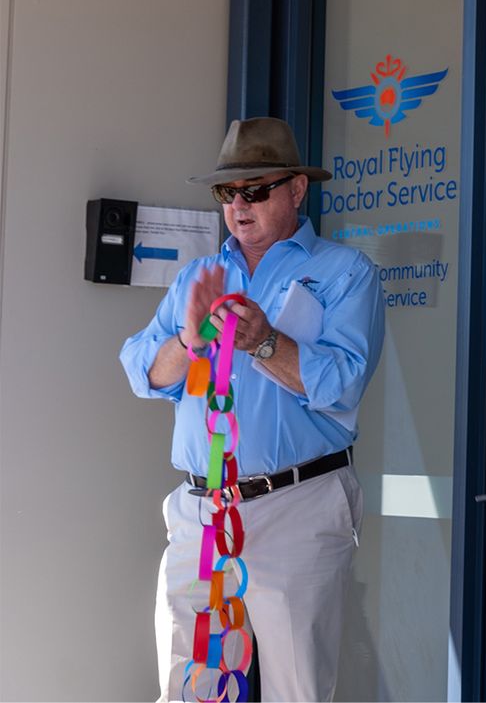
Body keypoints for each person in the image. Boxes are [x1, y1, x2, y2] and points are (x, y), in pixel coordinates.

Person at [120, 117, 385, 702]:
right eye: (226, 193)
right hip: (201, 511)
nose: (239, 205)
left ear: (297, 190)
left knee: (297, 688)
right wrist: (186, 344)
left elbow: (341, 382)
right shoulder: (198, 275)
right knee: (189, 686)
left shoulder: (345, 273)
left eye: (256, 189)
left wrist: (264, 342)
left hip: (298, 503)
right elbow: (140, 371)